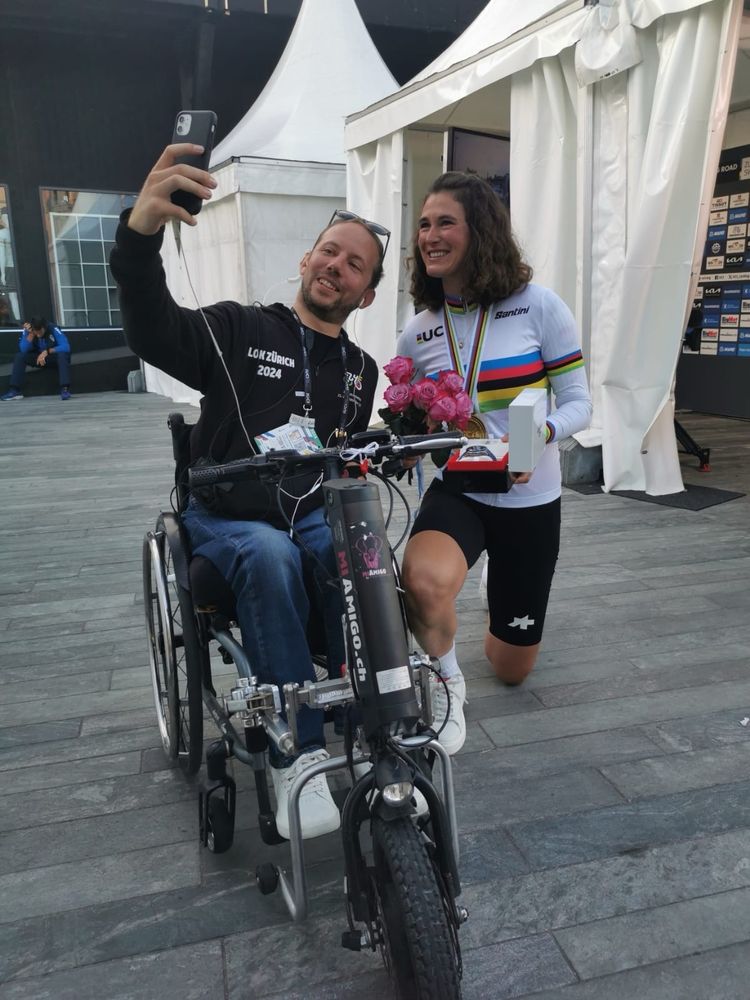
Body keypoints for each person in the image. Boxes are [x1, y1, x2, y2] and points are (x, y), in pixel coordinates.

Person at [109, 141, 387, 839]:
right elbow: (153, 329)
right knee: (270, 554)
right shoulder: (241, 327)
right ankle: (298, 752)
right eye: (329, 251)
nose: (336, 265)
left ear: (367, 294)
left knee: (363, 551)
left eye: (355, 264)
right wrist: (140, 237)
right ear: (306, 259)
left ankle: (379, 722)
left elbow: (346, 460)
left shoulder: (363, 371)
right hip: (227, 516)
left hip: (311, 513)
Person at [396, 172, 592, 754]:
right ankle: (447, 684)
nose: (430, 235)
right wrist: (411, 432)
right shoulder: (419, 331)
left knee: (510, 669)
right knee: (422, 583)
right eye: (424, 225)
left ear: (480, 230)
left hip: (530, 500)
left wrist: (539, 436)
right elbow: (409, 416)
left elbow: (579, 403)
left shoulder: (538, 306)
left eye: (445, 222)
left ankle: (494, 582)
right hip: (460, 491)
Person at [1, 317, 72, 400]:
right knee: (20, 356)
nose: (38, 335)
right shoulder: (29, 331)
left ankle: (65, 390)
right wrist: (31, 334)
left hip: (53, 358)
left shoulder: (53, 328)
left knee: (62, 355)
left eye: (40, 332)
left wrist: (47, 351)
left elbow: (66, 347)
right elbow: (23, 349)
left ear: (44, 327)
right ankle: (14, 390)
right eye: (36, 332)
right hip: (38, 358)